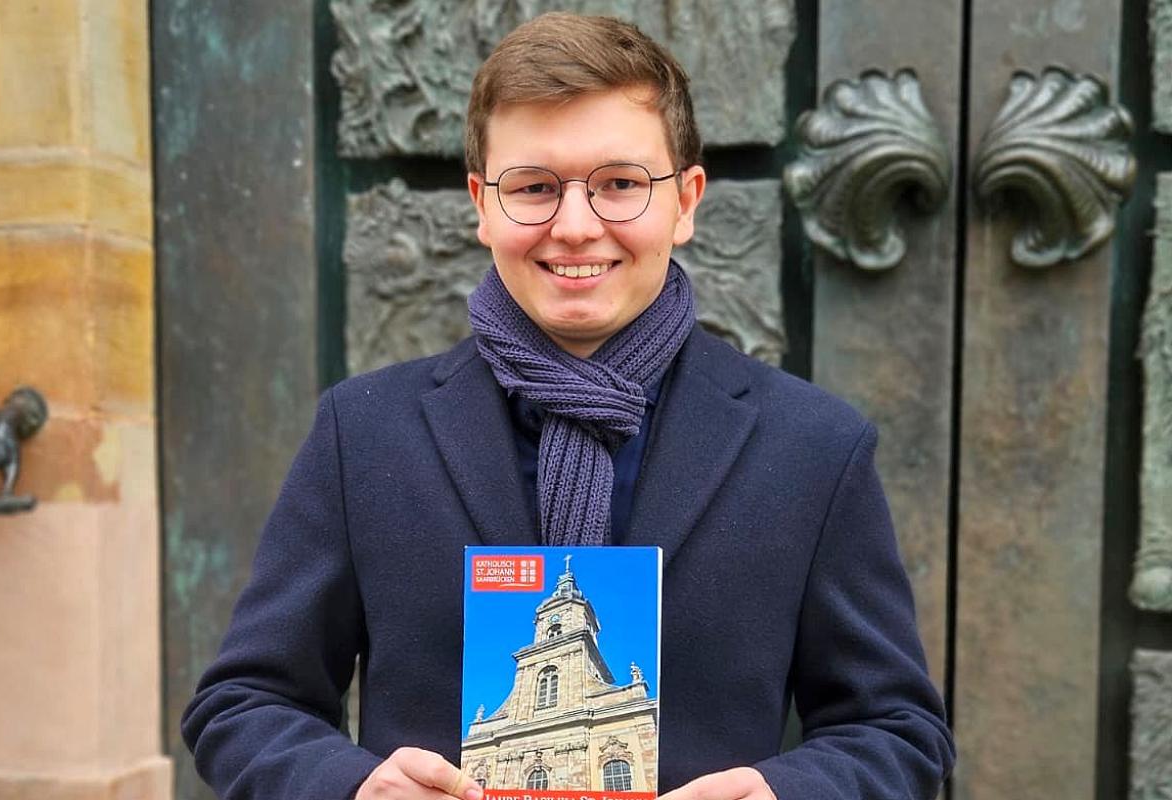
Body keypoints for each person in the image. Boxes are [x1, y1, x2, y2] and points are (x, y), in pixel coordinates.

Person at [183, 12, 955, 800]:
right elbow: (243, 705)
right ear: (483, 204)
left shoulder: (812, 447)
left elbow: (896, 731)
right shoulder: (364, 433)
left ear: (686, 201)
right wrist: (352, 787)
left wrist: (781, 794)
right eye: (534, 187)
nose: (576, 226)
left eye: (621, 184)